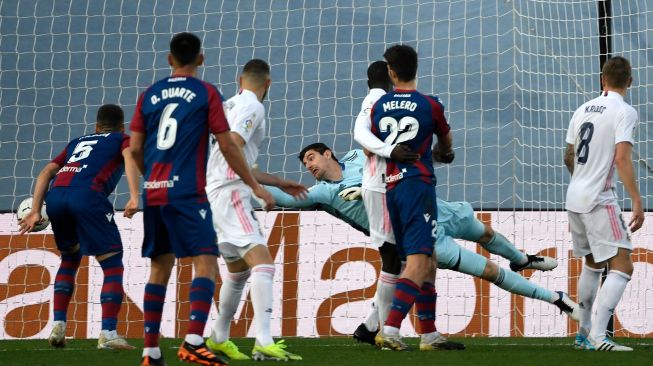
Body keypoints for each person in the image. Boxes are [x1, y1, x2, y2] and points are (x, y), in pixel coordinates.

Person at [269, 144, 579, 350]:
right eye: (305, 163)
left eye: (311, 158)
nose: (309, 166)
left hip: (439, 209)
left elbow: (389, 162)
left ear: (327, 153)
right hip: (422, 237)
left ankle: (522, 259)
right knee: (489, 271)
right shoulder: (324, 192)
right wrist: (248, 180)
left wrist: (372, 182)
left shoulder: (356, 156)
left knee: (486, 234)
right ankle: (557, 299)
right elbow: (283, 198)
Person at [352, 61, 558, 346]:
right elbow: (365, 141)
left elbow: (411, 150)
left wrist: (433, 156)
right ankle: (385, 327)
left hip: (408, 188)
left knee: (427, 258)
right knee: (408, 261)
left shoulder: (396, 103)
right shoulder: (381, 100)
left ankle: (422, 332)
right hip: (399, 187)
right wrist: (397, 151)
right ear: (392, 74)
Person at [130, 33, 274, 366]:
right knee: (206, 262)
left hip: (155, 190)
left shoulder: (147, 95)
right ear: (201, 59)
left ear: (169, 59)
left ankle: (150, 351)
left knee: (159, 268)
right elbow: (227, 145)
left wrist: (150, 177)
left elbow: (135, 148)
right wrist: (254, 185)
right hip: (188, 191)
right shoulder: (206, 93)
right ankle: (195, 340)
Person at [204, 59, 305, 362]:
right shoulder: (253, 106)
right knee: (263, 263)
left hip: (214, 193)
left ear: (239, 79)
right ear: (268, 84)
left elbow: (231, 152)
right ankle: (262, 339)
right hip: (230, 192)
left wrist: (276, 181)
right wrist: (257, 188)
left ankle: (219, 337)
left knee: (238, 270)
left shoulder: (225, 105)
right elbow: (232, 144)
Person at [18, 104, 140, 351]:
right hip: (88, 197)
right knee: (112, 262)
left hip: (56, 198)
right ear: (121, 125)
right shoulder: (121, 139)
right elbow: (130, 157)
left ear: (96, 126)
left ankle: (59, 325)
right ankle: (108, 332)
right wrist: (135, 195)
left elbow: (46, 172)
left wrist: (35, 209)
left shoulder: (78, 141)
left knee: (70, 258)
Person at [564, 56, 644, 352]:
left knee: (593, 263)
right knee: (623, 264)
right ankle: (599, 337)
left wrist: (581, 181)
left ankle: (582, 334)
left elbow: (568, 155)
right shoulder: (625, 111)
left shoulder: (582, 108)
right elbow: (622, 157)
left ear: (602, 79)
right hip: (599, 198)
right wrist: (636, 199)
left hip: (574, 196)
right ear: (630, 82)